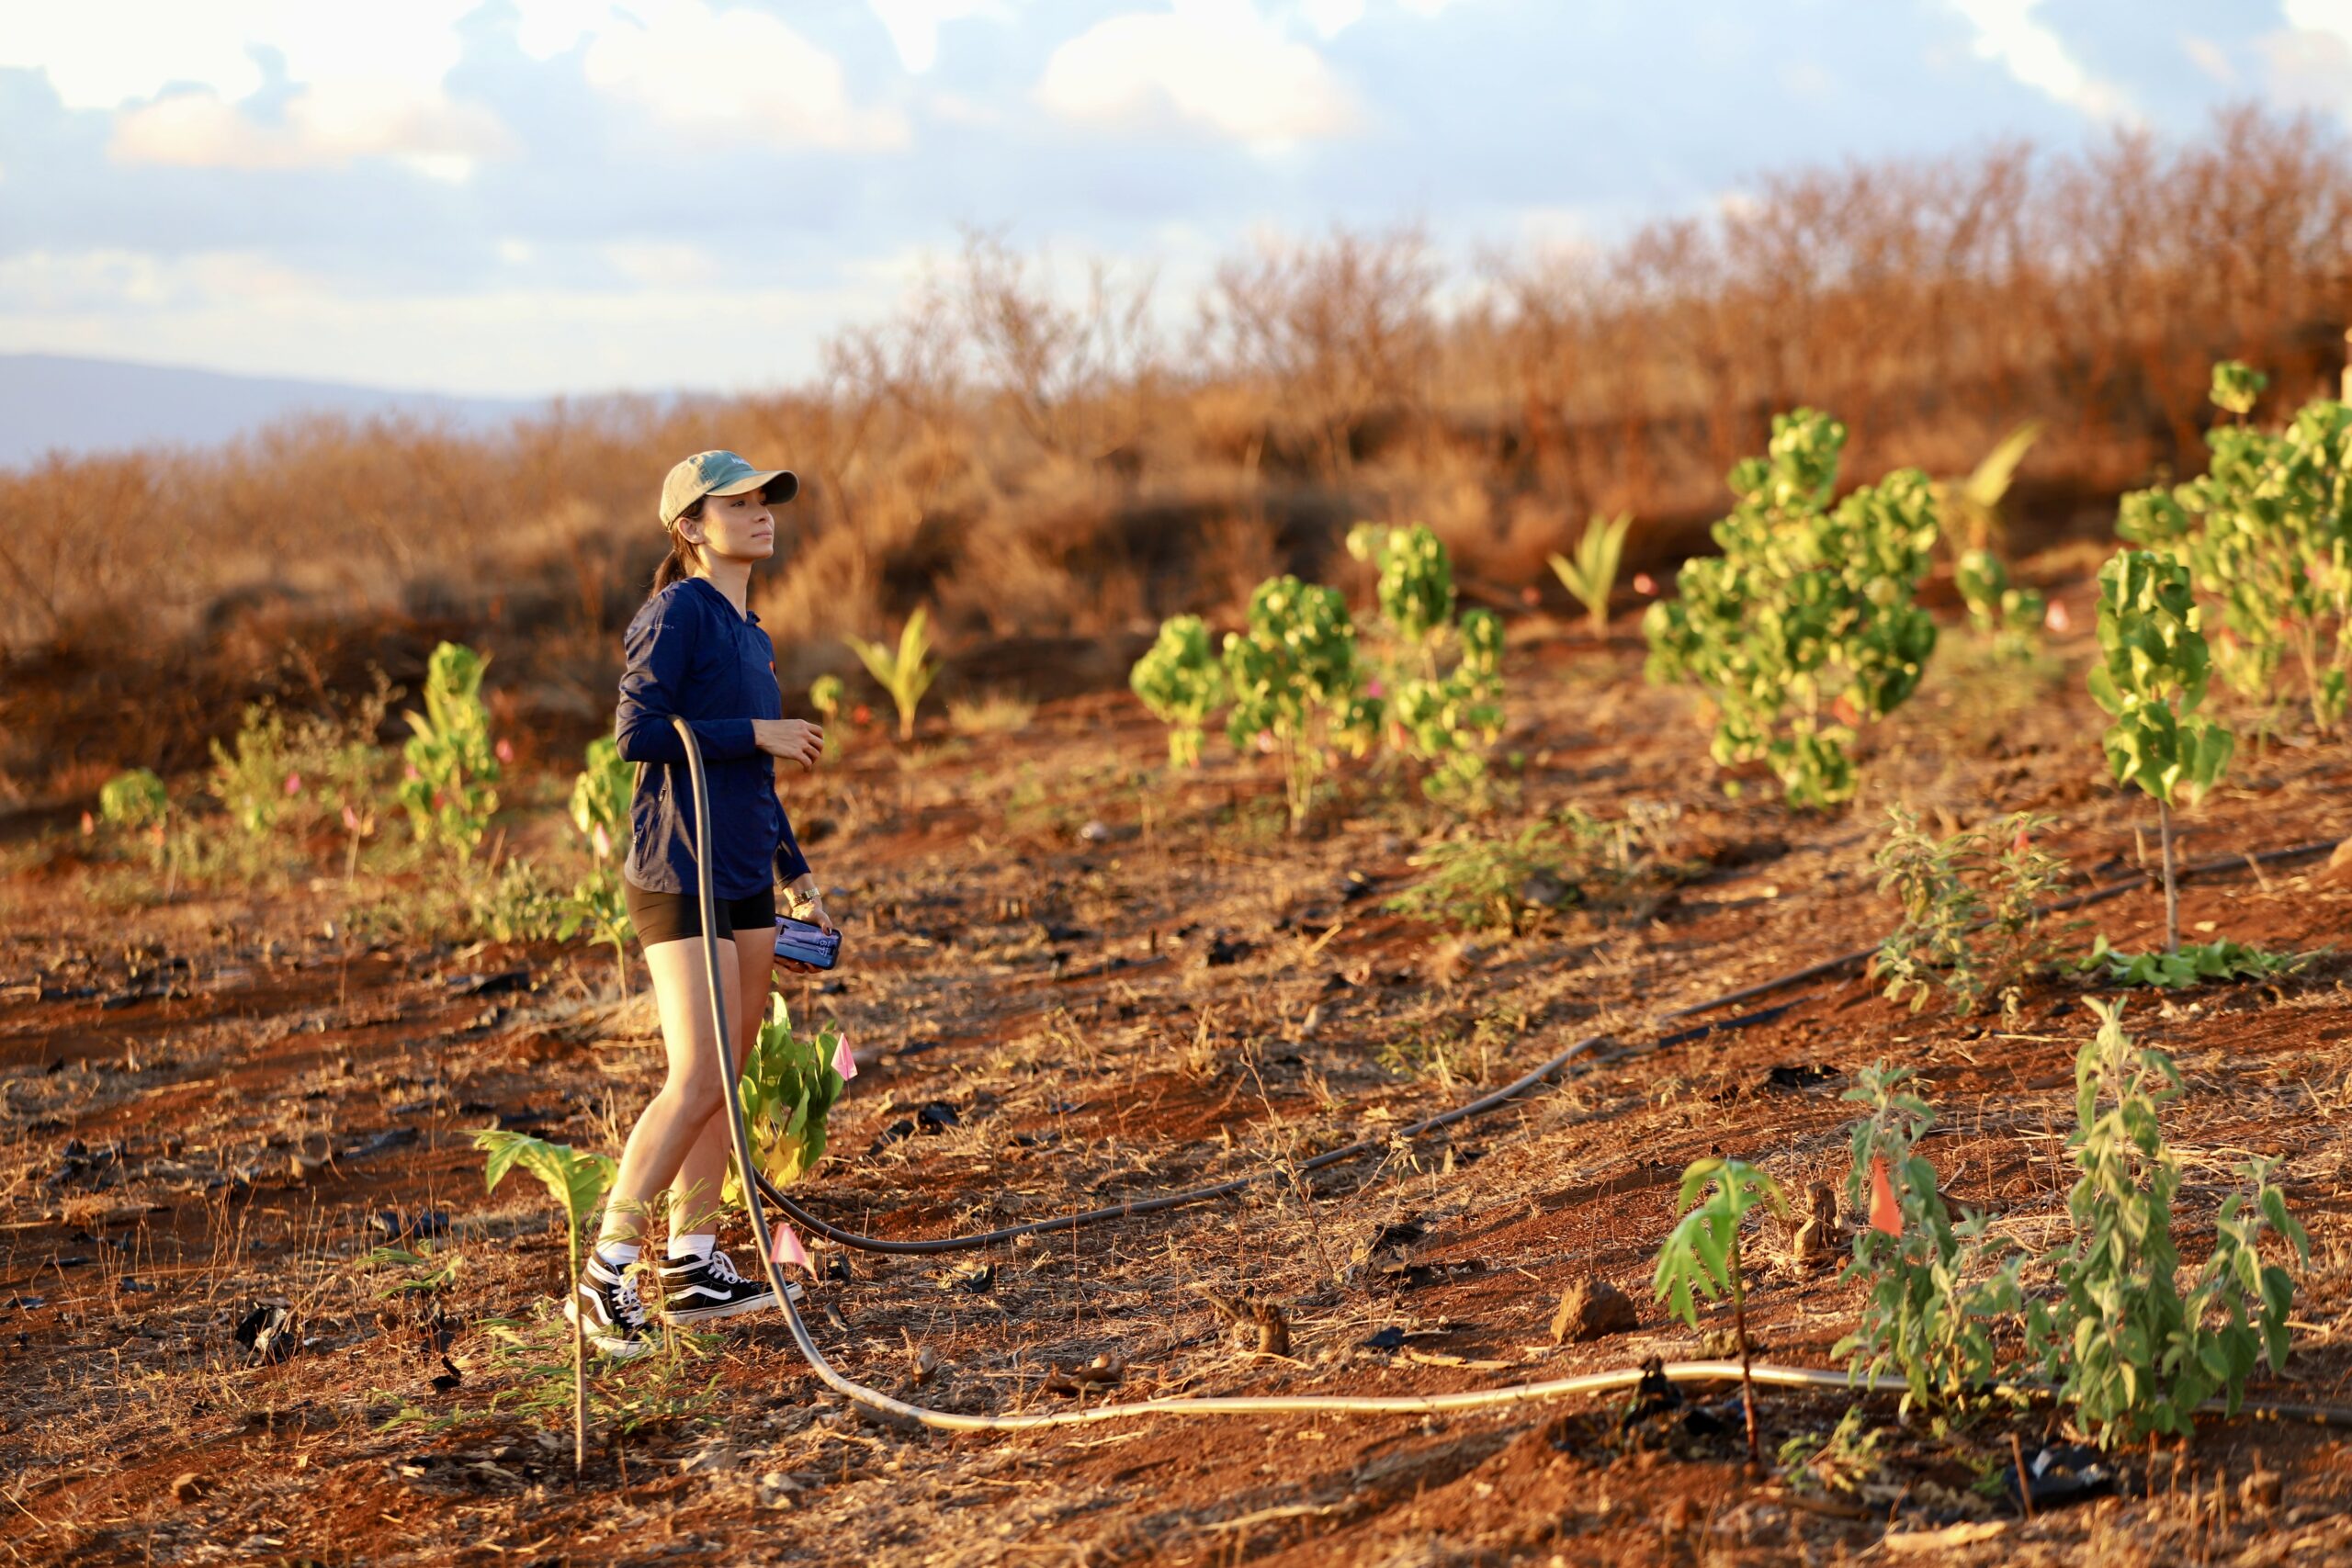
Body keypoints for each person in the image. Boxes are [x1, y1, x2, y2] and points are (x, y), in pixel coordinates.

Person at [570, 450, 835, 1359]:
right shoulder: (675, 612)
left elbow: (757, 773)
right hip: (676, 871)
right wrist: (755, 727)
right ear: (689, 527)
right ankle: (606, 1274)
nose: (762, 513)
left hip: (744, 878)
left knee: (728, 1069)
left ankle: (690, 1266)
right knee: (695, 1074)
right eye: (740, 503)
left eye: (767, 500)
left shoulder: (749, 629)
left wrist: (795, 872)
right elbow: (635, 733)